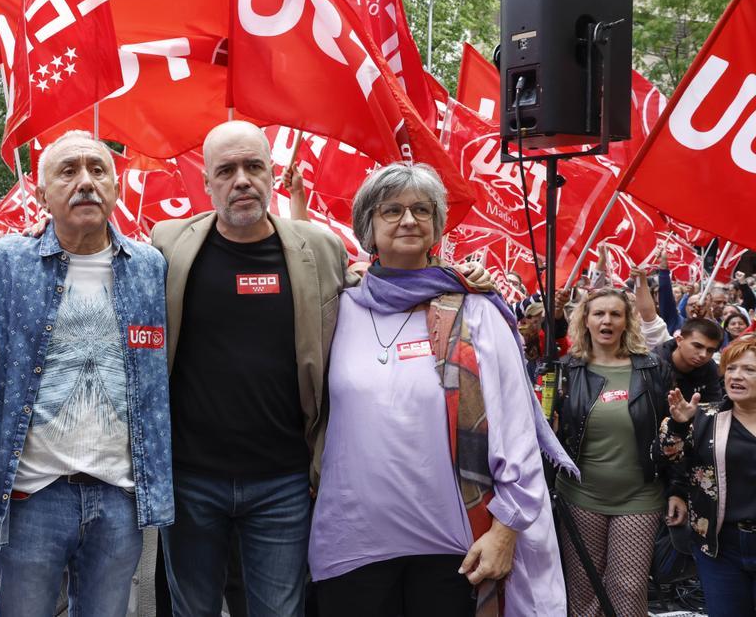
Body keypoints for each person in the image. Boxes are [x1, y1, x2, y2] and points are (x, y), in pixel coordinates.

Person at [309, 163, 570, 616]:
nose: (408, 220)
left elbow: (517, 428)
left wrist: (507, 529)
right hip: (350, 544)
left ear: (437, 226)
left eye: (421, 210)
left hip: (455, 545)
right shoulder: (336, 308)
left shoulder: (476, 310)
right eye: (391, 210)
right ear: (367, 228)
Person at [0, 131, 172, 616]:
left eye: (98, 170)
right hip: (30, 494)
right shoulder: (3, 264)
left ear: (116, 187)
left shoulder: (150, 267)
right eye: (68, 171)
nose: (86, 182)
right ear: (41, 195)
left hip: (119, 495)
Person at [150, 121, 346, 616]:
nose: (242, 180)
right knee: (191, 608)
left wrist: (458, 279)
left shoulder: (321, 250)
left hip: (282, 481)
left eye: (253, 166)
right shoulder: (167, 244)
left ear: (272, 174)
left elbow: (378, 295)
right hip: (191, 479)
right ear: (207, 183)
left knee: (279, 611)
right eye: (227, 170)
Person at [555, 287, 674, 616]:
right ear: (586, 321)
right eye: (599, 313)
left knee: (629, 587)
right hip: (581, 495)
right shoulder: (566, 371)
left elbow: (672, 433)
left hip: (639, 496)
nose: (607, 320)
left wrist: (677, 488)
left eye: (615, 314)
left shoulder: (653, 370)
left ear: (626, 322)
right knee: (584, 588)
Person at [662, 334, 756, 616]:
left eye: (749, 370)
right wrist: (679, 427)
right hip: (720, 546)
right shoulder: (705, 417)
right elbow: (669, 456)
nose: (737, 376)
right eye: (731, 368)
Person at [654, 318, 724, 403]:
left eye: (710, 350)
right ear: (679, 340)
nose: (703, 355)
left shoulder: (709, 367)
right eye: (697, 346)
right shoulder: (653, 366)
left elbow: (714, 405)